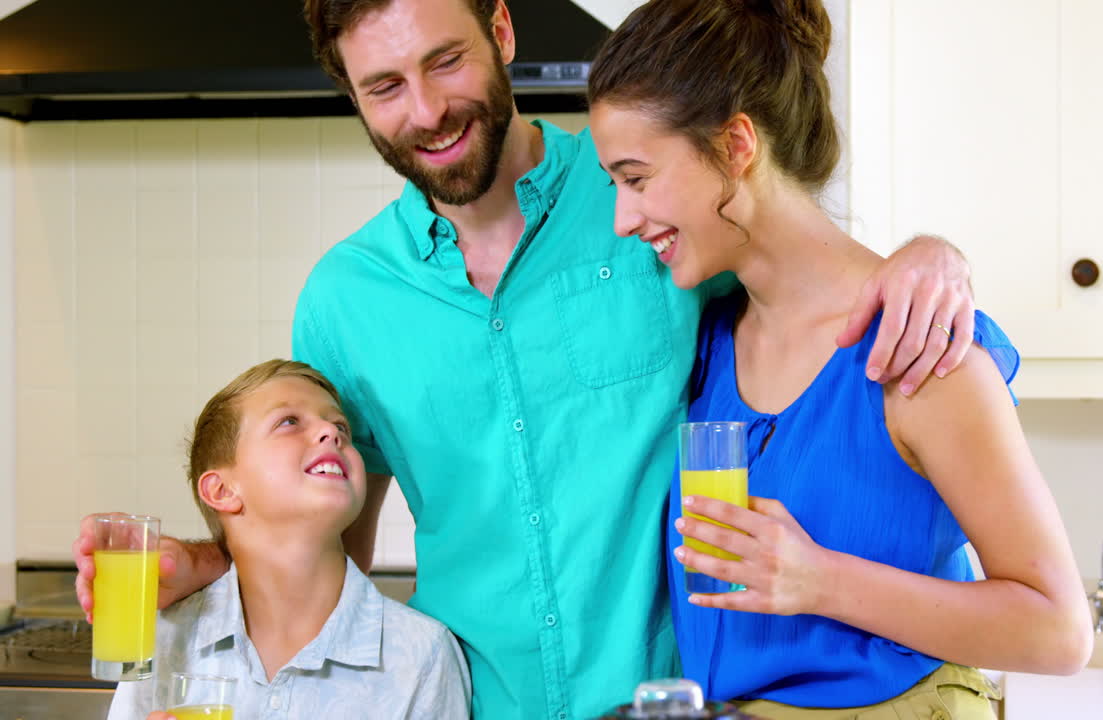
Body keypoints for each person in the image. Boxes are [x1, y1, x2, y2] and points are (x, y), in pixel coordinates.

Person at [74, 1, 981, 718]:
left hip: (680, 704)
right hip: (468, 706)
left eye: (445, 60)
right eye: (383, 85)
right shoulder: (344, 301)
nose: (425, 112)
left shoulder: (645, 196)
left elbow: (801, 263)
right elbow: (316, 564)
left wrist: (930, 254)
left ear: (502, 30)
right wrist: (208, 564)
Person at [586, 0, 1094, 717]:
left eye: (636, 179)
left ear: (736, 146)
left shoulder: (920, 350)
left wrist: (819, 579)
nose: (622, 219)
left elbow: (1059, 630)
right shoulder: (710, 341)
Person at [105, 360, 470, 720]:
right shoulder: (166, 637)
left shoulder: (421, 654)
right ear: (221, 490)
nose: (332, 432)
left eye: (340, 424)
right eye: (289, 422)